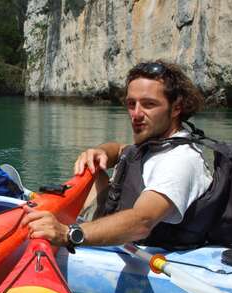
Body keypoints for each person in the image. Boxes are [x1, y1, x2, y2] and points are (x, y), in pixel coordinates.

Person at [22, 60, 214, 251]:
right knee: (94, 169)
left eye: (149, 104)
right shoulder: (158, 143)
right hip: (112, 228)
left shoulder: (180, 160)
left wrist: (68, 233)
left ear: (176, 108)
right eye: (131, 104)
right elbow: (122, 150)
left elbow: (142, 221)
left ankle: (56, 221)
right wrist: (102, 152)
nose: (136, 114)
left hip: (144, 246)